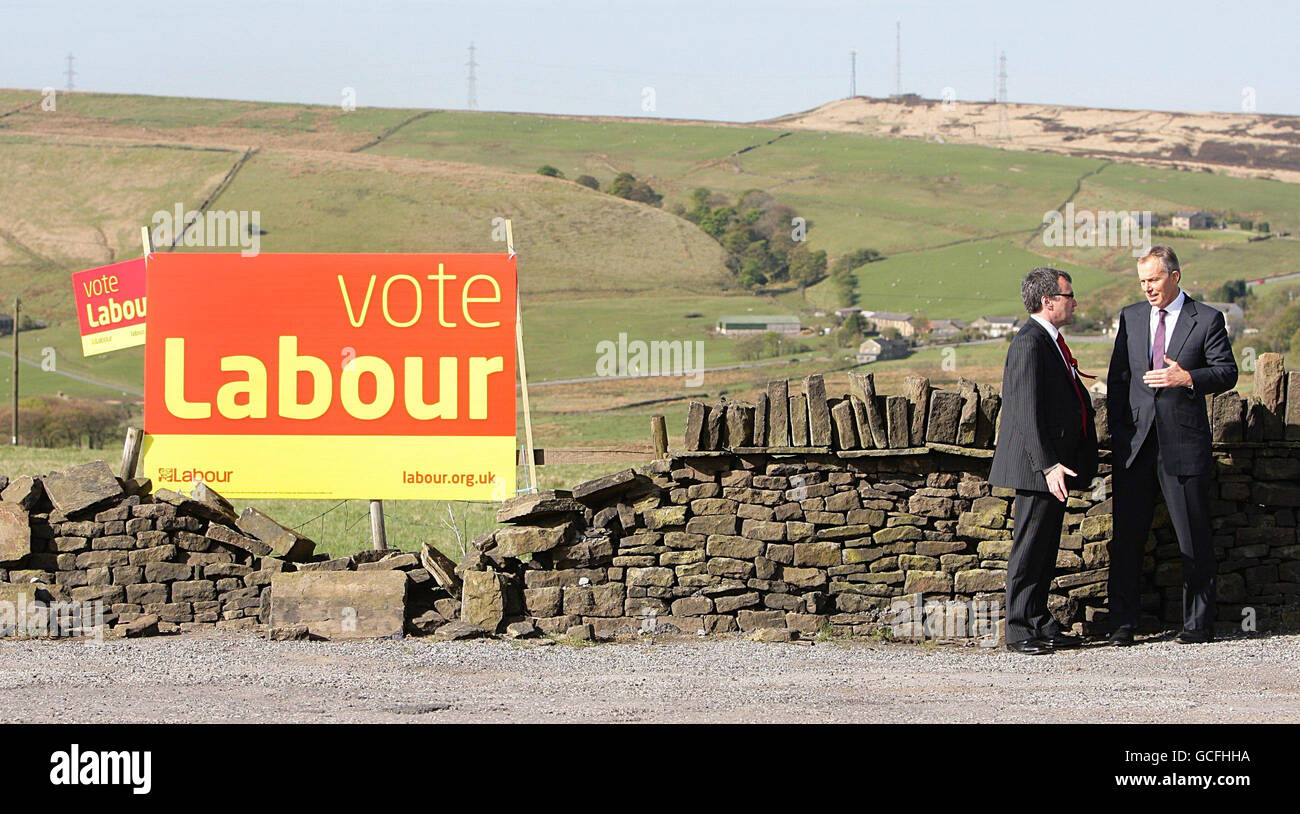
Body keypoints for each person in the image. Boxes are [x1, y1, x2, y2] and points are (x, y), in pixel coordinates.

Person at [1106, 245, 1237, 645]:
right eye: (1143, 281)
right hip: (1136, 447)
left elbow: (1227, 372)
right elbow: (1118, 381)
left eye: (1155, 280)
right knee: (1127, 538)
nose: (1148, 288)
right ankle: (1122, 625)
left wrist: (1188, 378)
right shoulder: (1130, 317)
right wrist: (1122, 433)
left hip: (1183, 444)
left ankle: (1197, 625)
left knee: (1192, 537)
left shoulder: (1208, 319)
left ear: (1175, 276)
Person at [989, 268, 1098, 654]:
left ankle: (1038, 621)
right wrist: (1048, 465)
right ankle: (1018, 629)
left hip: (1052, 467)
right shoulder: (1029, 344)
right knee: (1030, 547)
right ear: (1047, 301)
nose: (1075, 301)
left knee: (1046, 546)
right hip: (1038, 469)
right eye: (1069, 295)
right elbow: (1024, 410)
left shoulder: (1049, 341)